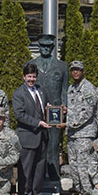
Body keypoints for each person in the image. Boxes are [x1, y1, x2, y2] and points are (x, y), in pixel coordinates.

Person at [27, 34, 67, 181]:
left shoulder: (62, 66)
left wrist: (65, 106)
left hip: (55, 111)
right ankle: (38, 176)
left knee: (54, 144)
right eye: (43, 46)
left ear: (53, 47)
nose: (45, 48)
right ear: (38, 46)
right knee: (38, 144)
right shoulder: (31, 65)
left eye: (48, 46)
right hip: (37, 110)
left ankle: (54, 175)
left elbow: (64, 89)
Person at [12, 63, 51, 195]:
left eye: (34, 77)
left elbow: (45, 108)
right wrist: (38, 123)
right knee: (26, 169)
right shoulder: (18, 93)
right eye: (29, 77)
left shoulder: (41, 90)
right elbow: (19, 115)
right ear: (24, 77)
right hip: (28, 135)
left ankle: (37, 194)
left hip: (42, 136)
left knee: (40, 168)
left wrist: (52, 111)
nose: (31, 79)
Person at [65, 60, 98, 195]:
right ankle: (79, 192)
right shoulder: (71, 88)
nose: (75, 72)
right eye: (73, 70)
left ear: (83, 71)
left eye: (78, 70)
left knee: (83, 166)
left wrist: (68, 123)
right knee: (73, 166)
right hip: (72, 134)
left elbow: (88, 112)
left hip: (84, 134)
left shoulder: (88, 88)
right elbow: (73, 109)